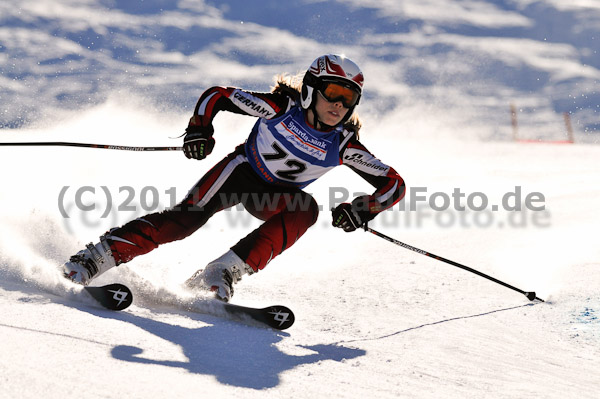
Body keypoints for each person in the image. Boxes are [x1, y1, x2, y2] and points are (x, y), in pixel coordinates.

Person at [63, 54, 406, 302]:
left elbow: (393, 184)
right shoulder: (280, 108)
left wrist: (364, 209)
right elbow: (219, 96)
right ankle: (97, 256)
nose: (339, 105)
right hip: (238, 175)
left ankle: (221, 271)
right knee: (183, 222)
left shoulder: (343, 145)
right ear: (311, 89)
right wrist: (200, 129)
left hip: (273, 199)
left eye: (349, 99)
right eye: (333, 92)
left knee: (306, 209)